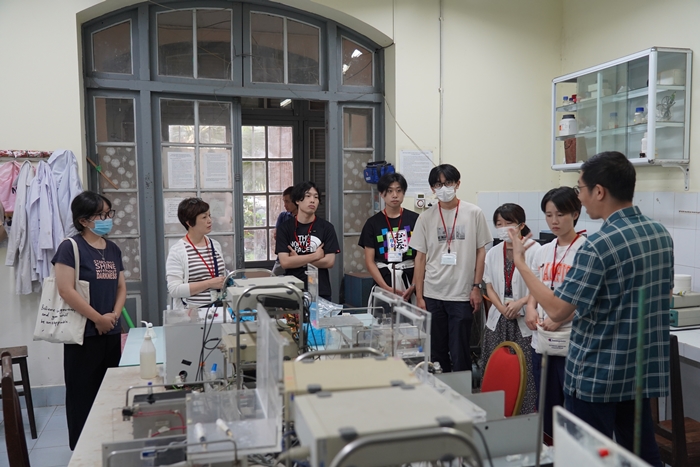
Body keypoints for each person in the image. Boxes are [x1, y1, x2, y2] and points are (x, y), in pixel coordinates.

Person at [508, 151, 673, 466]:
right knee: (640, 451)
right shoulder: (660, 235)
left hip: (597, 373)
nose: (580, 198)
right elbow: (661, 296)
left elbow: (557, 310)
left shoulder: (599, 245)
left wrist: (521, 263)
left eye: (580, 189)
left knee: (586, 456)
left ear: (599, 191)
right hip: (639, 369)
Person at [53, 191, 126, 450]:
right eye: (101, 215)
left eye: (109, 213)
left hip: (111, 332)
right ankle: (84, 452)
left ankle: (110, 447)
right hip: (83, 336)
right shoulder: (70, 247)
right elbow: (65, 290)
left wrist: (113, 316)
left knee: (111, 395)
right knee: (82, 398)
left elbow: (121, 287)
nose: (107, 219)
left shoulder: (113, 248)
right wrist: (97, 318)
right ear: (83, 220)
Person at [411, 164, 492, 372]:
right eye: (438, 184)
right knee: (437, 351)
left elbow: (481, 252)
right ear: (432, 188)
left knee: (460, 351)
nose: (443, 188)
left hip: (462, 294)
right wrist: (419, 296)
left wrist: (476, 287)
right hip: (433, 293)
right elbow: (420, 258)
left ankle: (462, 390)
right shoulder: (425, 217)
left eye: (448, 183)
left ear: (457, 184)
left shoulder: (473, 213)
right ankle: (441, 388)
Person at [525, 187, 586, 439]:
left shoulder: (585, 249)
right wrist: (530, 308)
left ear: (575, 214)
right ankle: (549, 449)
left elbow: (586, 297)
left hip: (572, 341)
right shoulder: (543, 250)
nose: (554, 221)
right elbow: (535, 285)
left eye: (560, 214)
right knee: (546, 404)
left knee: (572, 407)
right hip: (542, 340)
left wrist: (559, 317)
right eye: (549, 215)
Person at [481, 203, 540, 414]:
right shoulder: (493, 252)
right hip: (498, 319)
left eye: (508, 223)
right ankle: (495, 414)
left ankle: (525, 416)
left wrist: (520, 302)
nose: (503, 228)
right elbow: (488, 285)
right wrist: (501, 307)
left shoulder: (535, 250)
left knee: (524, 371)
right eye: (499, 224)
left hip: (523, 320)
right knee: (497, 370)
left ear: (521, 225)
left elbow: (540, 286)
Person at [358, 172, 420, 302]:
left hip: (410, 279)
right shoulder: (372, 223)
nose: (395, 195)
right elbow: (369, 261)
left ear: (404, 193)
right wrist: (385, 287)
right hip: (384, 280)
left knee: (411, 314)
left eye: (399, 190)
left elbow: (420, 257)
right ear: (381, 194)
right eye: (390, 191)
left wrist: (414, 285)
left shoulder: (415, 219)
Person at [276, 181, 340, 300]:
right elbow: (285, 262)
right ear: (297, 200)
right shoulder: (284, 228)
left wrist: (297, 259)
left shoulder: (327, 228)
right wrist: (315, 256)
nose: (312, 200)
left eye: (316, 197)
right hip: (292, 290)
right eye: (308, 196)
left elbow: (329, 262)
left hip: (320, 290)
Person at [166, 198, 226, 309]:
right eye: (204, 217)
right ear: (189, 223)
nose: (209, 220)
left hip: (218, 309)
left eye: (209, 215)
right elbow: (174, 290)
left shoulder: (215, 245)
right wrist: (209, 283)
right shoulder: (177, 251)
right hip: (191, 313)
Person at [272, 186, 297, 275]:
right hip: (282, 257)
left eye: (287, 202)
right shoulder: (283, 216)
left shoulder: (303, 218)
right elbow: (277, 236)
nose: (285, 205)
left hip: (298, 257)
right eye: (284, 201)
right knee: (273, 279)